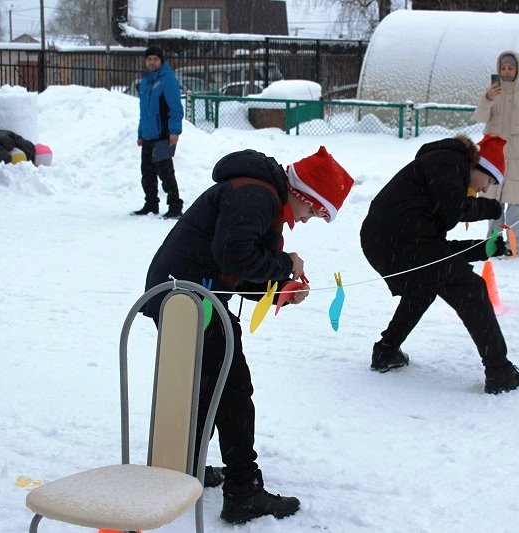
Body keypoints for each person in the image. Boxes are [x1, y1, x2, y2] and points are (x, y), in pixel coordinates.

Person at [143, 146, 354, 523]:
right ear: (305, 195)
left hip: (191, 295)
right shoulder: (257, 196)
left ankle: (186, 467)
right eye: (314, 212)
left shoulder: (262, 196)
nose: (306, 220)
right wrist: (284, 264)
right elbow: (233, 256)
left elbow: (239, 273)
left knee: (213, 385)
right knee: (233, 389)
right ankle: (243, 492)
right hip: (187, 298)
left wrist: (283, 289)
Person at [360, 134, 519, 394]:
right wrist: (490, 209)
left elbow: (438, 250)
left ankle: (386, 352)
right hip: (399, 241)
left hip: (388, 241)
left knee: (423, 288)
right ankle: (500, 372)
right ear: (479, 167)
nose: (485, 188)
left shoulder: (441, 175)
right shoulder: (449, 162)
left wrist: (486, 248)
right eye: (489, 180)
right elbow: (453, 214)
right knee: (472, 288)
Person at [472, 51, 519, 256]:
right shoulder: (492, 93)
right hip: (494, 157)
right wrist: (487, 98)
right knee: (493, 206)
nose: (506, 71)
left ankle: (514, 248)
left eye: (510, 67)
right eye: (503, 68)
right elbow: (480, 117)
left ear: (517, 69)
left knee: (516, 208)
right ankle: (493, 246)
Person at [132, 45, 185, 218]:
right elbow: (144, 112)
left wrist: (174, 131)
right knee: (147, 172)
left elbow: (175, 108)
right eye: (149, 59)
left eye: (155, 59)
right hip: (148, 135)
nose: (152, 62)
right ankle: (151, 204)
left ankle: (175, 206)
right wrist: (140, 133)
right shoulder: (145, 82)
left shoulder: (167, 80)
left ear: (161, 61)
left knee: (165, 172)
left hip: (163, 134)